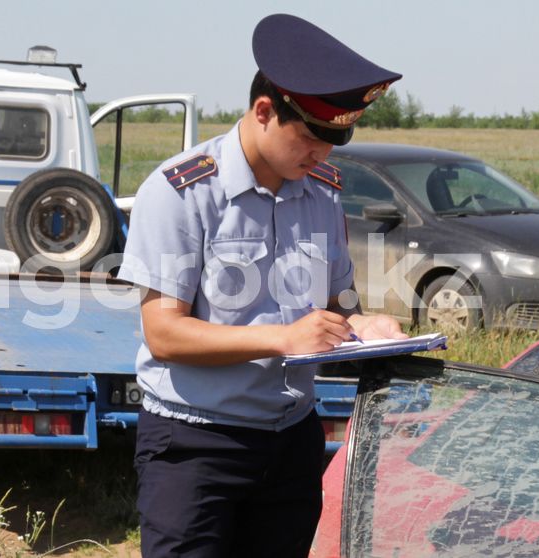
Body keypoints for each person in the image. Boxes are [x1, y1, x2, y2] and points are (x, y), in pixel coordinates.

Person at [117, 13, 406, 558]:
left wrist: (367, 326)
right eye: (311, 139)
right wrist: (283, 339)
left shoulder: (321, 194)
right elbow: (165, 335)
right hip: (196, 444)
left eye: (334, 142)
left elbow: (336, 305)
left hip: (291, 439)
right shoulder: (181, 191)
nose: (322, 155)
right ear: (265, 112)